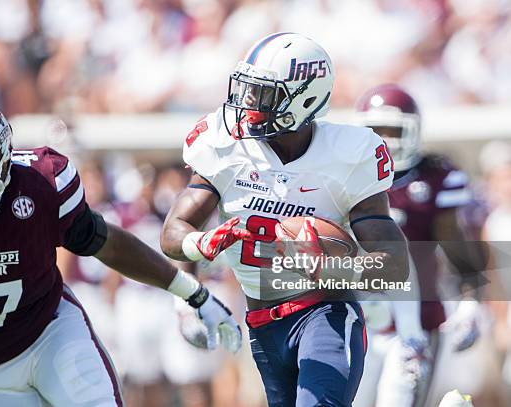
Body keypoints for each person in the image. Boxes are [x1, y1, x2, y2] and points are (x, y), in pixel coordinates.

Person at [0, 100, 241, 406]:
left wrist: (188, 291)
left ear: (2, 167)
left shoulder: (41, 185)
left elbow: (104, 242)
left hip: (51, 334)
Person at [160, 32, 410, 407]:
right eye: (248, 90)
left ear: (305, 97)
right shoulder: (224, 145)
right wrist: (200, 252)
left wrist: (332, 269)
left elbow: (395, 265)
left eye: (264, 94)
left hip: (325, 311)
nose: (247, 104)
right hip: (262, 322)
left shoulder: (350, 154)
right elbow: (173, 232)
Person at [353, 84, 486, 407]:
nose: (384, 139)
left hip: (415, 325)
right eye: (375, 130)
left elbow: (459, 249)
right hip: (355, 321)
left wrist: (470, 303)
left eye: (393, 130)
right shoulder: (346, 177)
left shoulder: (433, 179)